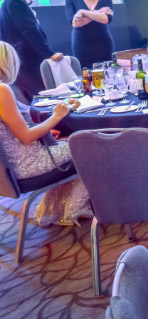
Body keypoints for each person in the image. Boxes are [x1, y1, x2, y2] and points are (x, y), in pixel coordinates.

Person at [0, 42, 90, 225]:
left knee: (67, 141)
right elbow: (26, 137)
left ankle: (56, 208)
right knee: (87, 144)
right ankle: (76, 207)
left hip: (6, 171)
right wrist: (57, 116)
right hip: (25, 166)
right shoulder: (2, 90)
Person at [0, 0, 64, 102]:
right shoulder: (15, 2)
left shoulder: (13, 0)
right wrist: (48, 53)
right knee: (39, 96)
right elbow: (29, 30)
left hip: (22, 58)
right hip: (25, 59)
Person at [64, 0, 114, 69]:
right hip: (81, 43)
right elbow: (74, 23)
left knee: (106, 72)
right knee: (85, 73)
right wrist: (98, 12)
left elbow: (106, 19)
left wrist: (83, 12)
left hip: (103, 42)